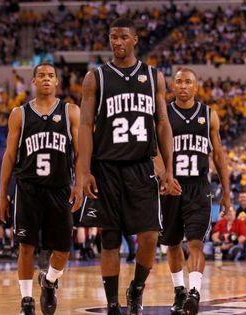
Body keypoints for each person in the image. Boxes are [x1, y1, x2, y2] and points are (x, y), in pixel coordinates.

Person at [73, 18, 181, 315]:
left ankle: (136, 289)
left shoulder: (153, 76)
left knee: (149, 236)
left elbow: (162, 123)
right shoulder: (96, 78)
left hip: (142, 166)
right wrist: (83, 170)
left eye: (122, 37)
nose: (116, 42)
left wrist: (168, 168)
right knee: (109, 240)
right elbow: (84, 124)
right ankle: (111, 303)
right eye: (112, 37)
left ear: (135, 40)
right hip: (106, 166)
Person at [0, 62, 80, 315]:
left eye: (51, 76)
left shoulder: (70, 112)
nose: (46, 79)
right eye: (41, 75)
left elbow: (80, 153)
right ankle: (26, 301)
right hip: (28, 189)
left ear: (57, 82)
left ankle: (50, 280)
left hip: (59, 188)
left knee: (64, 248)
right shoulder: (19, 114)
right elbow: (10, 156)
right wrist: (2, 195)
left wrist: (79, 183)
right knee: (26, 246)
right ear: (33, 81)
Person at [160, 68, 231, 315]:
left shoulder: (209, 115)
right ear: (172, 86)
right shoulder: (164, 114)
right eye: (178, 81)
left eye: (188, 82)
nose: (182, 86)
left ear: (196, 87)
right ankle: (179, 291)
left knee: (196, 243)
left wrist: (227, 193)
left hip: (199, 187)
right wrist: (163, 177)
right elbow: (154, 152)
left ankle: (194, 292)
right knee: (172, 244)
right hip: (171, 187)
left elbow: (219, 156)